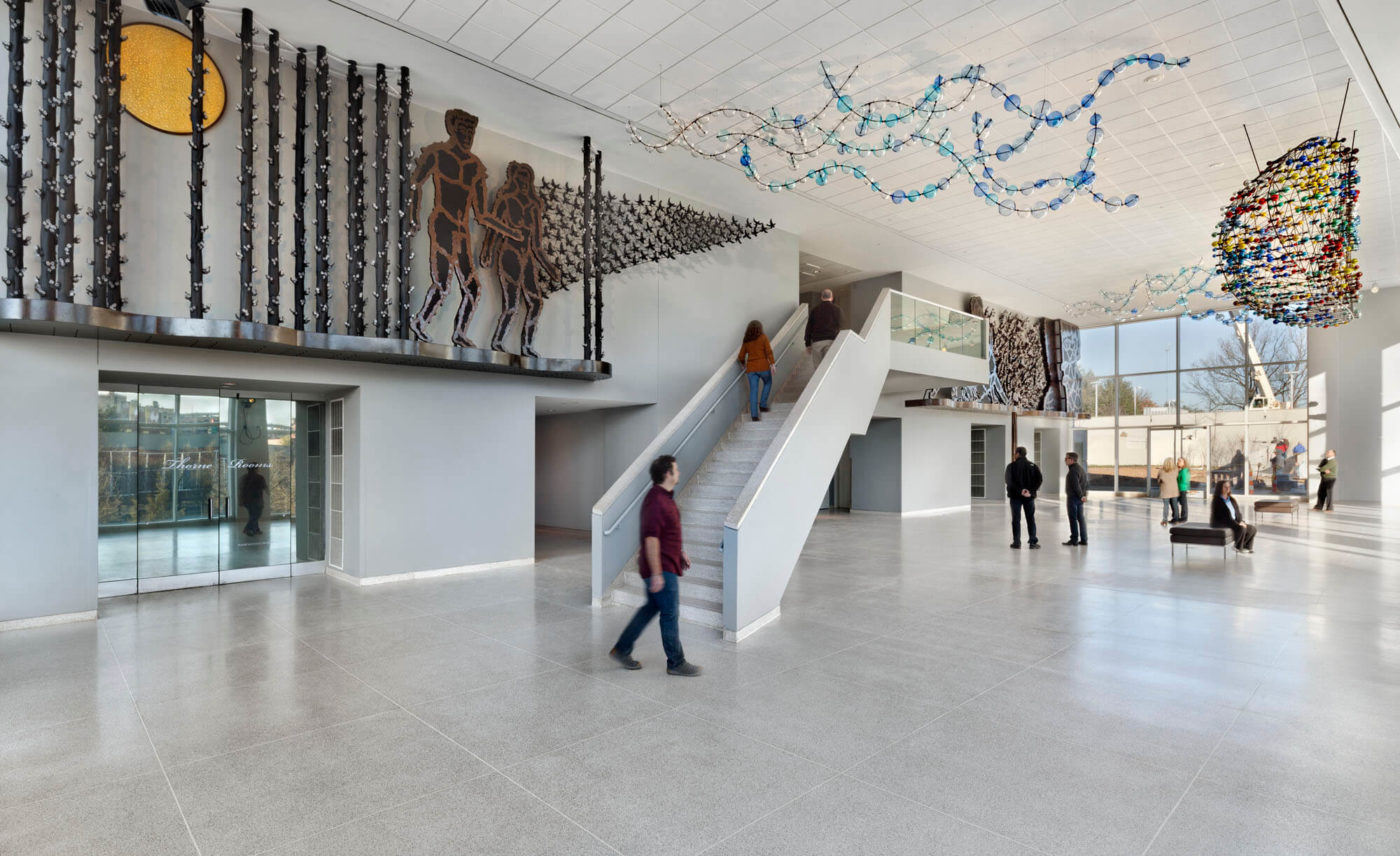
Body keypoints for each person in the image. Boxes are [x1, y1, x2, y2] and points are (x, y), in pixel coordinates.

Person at [610, 455, 702, 677]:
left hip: (666, 564)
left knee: (650, 609)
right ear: (668, 474)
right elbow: (651, 539)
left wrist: (679, 552)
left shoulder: (664, 498)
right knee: (670, 613)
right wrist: (658, 573)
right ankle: (676, 662)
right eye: (676, 470)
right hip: (661, 569)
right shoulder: (656, 501)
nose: (679, 473)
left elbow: (667, 533)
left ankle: (621, 649)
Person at [1005, 446, 1043, 549]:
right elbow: (1039, 480)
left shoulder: (1011, 466)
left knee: (1016, 519)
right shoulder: (1033, 466)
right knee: (1030, 518)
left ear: (1017, 453)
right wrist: (1029, 491)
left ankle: (1017, 542)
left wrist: (1020, 490)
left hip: (1015, 497)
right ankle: (1032, 542)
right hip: (1029, 497)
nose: (1014, 455)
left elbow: (1009, 481)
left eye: (1015, 453)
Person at [737, 320, 775, 422]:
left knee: (753, 391)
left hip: (751, 369)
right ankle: (762, 405)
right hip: (763, 367)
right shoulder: (763, 337)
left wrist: (743, 364)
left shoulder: (746, 341)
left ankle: (754, 415)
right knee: (768, 382)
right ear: (760, 328)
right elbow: (769, 352)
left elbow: (740, 356)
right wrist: (772, 364)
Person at [1211, 480, 1256, 553]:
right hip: (1222, 522)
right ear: (1220, 488)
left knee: (1252, 529)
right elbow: (1224, 517)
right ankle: (1238, 547)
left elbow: (1238, 513)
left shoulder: (1231, 499)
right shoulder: (1217, 500)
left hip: (1233, 521)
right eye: (1225, 487)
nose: (1227, 489)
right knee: (1241, 528)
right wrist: (1237, 524)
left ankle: (1246, 547)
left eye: (1229, 487)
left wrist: (1241, 521)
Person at [805, 289, 843, 367]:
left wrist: (808, 343)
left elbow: (809, 327)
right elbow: (840, 325)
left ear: (821, 297)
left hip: (817, 342)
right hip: (831, 341)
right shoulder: (837, 309)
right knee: (828, 366)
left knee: (817, 368)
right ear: (832, 297)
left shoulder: (815, 310)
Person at [1063, 451, 1087, 547]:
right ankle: (1084, 539)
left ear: (1072, 460)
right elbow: (1085, 483)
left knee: (1073, 519)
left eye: (1067, 458)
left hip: (1073, 498)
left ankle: (1074, 539)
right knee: (1080, 519)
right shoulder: (1080, 469)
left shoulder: (1073, 471)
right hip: (1080, 498)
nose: (1065, 459)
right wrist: (1083, 496)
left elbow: (1076, 485)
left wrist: (1081, 495)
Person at [239, 466, 267, 537]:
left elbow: (241, 489)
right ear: (255, 469)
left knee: (253, 515)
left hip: (247, 500)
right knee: (256, 515)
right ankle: (247, 529)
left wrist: (241, 500)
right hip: (256, 500)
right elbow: (264, 487)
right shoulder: (259, 477)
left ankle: (256, 529)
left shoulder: (245, 478)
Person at [1157, 457, 1180, 526]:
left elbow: (1159, 479)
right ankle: (1176, 519)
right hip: (1174, 490)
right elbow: (1177, 477)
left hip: (1165, 491)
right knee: (1175, 505)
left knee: (1166, 506)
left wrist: (1160, 481)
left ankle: (1164, 520)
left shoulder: (1161, 470)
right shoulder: (1176, 470)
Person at [1176, 457, 1191, 523]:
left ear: (1184, 463)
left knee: (1184, 504)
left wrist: (1183, 489)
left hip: (1182, 489)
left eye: (1180, 461)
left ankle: (1184, 518)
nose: (1178, 462)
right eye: (1178, 460)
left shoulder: (1184, 470)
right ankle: (1182, 517)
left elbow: (1185, 480)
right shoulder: (1182, 470)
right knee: (1182, 503)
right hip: (1181, 489)